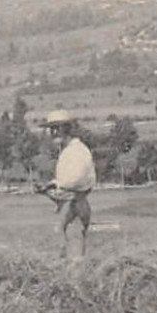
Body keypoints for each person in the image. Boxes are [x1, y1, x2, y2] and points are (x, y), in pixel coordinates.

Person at [38, 109, 96, 260]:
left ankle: (76, 280)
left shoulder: (77, 151)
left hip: (74, 204)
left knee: (74, 250)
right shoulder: (70, 151)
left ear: (68, 129)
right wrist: (51, 186)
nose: (54, 133)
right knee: (67, 247)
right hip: (71, 203)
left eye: (57, 128)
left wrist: (55, 185)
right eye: (52, 129)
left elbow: (75, 181)